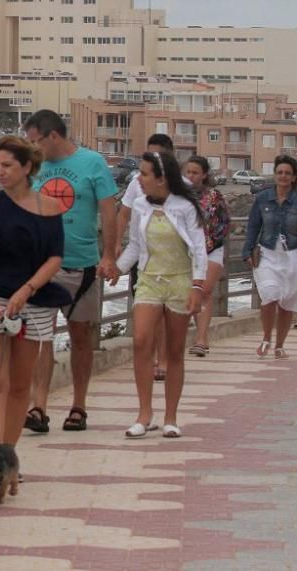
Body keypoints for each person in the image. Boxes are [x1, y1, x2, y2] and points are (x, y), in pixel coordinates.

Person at [0, 135, 70, 446]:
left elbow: (55, 257)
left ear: (26, 167)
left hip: (33, 302)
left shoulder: (50, 208)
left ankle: (7, 455)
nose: (0, 171)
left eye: (7, 165)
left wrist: (27, 289)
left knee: (21, 385)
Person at [22, 109, 119, 433]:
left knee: (80, 336)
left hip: (83, 265)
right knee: (40, 336)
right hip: (42, 266)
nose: (33, 149)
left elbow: (109, 210)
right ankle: (39, 407)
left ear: (53, 136)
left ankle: (79, 405)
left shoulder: (92, 164)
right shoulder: (34, 168)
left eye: (36, 142)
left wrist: (109, 255)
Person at [112, 151, 206, 438]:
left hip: (179, 282)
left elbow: (199, 248)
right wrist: (117, 269)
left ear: (162, 179)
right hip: (150, 280)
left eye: (144, 174)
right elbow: (135, 246)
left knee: (175, 351)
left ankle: (171, 417)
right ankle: (144, 414)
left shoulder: (185, 207)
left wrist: (197, 287)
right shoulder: (140, 206)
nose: (138, 179)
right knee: (141, 341)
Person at [117, 133, 188, 381]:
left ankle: (167, 359)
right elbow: (126, 219)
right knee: (144, 331)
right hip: (148, 270)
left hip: (179, 275)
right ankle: (157, 361)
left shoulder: (185, 195)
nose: (141, 175)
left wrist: (200, 283)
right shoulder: (137, 188)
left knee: (172, 327)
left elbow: (199, 244)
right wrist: (116, 260)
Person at [242, 154, 297, 359]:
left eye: (287, 173)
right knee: (270, 295)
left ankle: (280, 345)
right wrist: (247, 250)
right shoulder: (263, 198)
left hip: (293, 256)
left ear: (293, 177)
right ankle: (266, 338)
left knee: (287, 303)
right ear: (274, 175)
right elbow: (254, 226)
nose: (283, 176)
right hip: (268, 254)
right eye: (280, 172)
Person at [183, 155, 230, 357]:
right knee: (192, 292)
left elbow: (224, 223)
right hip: (187, 250)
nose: (191, 176)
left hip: (212, 247)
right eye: (188, 172)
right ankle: (195, 335)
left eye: (195, 173)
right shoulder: (179, 196)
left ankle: (201, 338)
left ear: (203, 175)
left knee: (204, 290)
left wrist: (208, 243)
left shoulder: (214, 196)